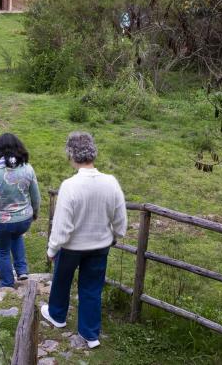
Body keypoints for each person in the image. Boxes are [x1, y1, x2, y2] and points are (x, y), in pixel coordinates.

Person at [42, 132, 127, 350]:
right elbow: (120, 219)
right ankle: (90, 334)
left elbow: (61, 226)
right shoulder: (111, 182)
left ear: (71, 155)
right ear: (93, 153)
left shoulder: (70, 185)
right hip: (100, 245)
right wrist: (116, 234)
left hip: (71, 247)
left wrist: (52, 249)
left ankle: (57, 315)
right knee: (92, 287)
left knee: (62, 280)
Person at [0, 133, 40, 288]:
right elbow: (36, 196)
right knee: (16, 236)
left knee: (2, 251)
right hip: (24, 219)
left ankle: (6, 282)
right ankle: (21, 270)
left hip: (1, 222)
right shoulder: (28, 168)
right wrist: (35, 212)